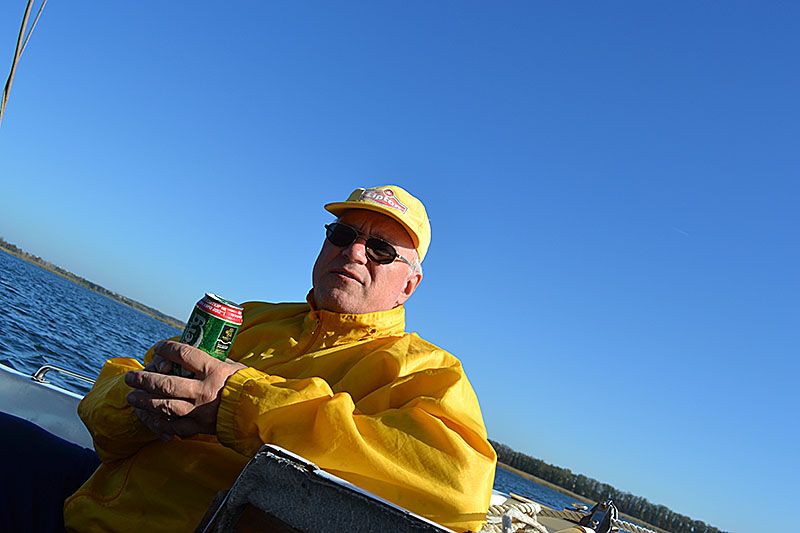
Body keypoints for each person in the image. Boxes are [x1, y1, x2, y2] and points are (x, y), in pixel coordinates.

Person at [61, 185, 496, 532]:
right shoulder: (251, 317)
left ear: (409, 286)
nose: (354, 252)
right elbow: (106, 405)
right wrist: (142, 406)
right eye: (342, 235)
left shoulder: (427, 372)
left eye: (380, 249)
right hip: (90, 501)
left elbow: (461, 491)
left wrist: (237, 403)